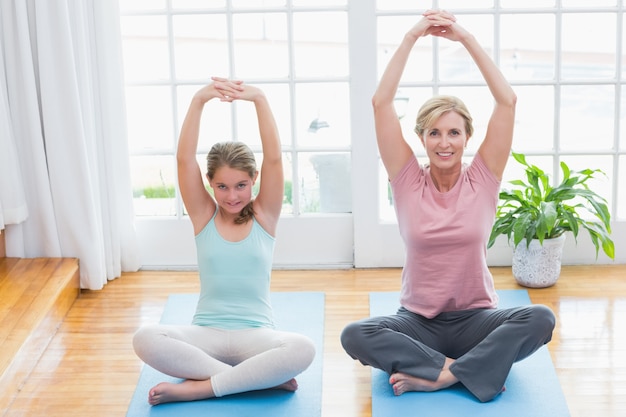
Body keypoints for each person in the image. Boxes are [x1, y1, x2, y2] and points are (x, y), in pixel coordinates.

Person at [340, 10, 555, 403]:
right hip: (417, 321)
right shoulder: (406, 181)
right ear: (421, 137)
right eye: (434, 132)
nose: (444, 142)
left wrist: (465, 38)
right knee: (355, 335)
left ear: (467, 136)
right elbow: (380, 102)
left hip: (478, 320)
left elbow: (507, 101)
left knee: (540, 319)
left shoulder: (483, 178)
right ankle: (472, 369)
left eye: (454, 132)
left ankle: (441, 374)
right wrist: (411, 37)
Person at [133, 77, 315, 405]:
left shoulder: (265, 216)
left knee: (304, 348)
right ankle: (255, 380)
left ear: (254, 179)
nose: (232, 197)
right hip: (206, 335)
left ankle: (200, 387)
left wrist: (259, 98)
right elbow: (183, 160)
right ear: (210, 183)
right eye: (222, 187)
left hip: (257, 336)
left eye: (241, 185)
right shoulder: (204, 216)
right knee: (145, 337)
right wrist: (199, 100)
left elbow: (274, 159)